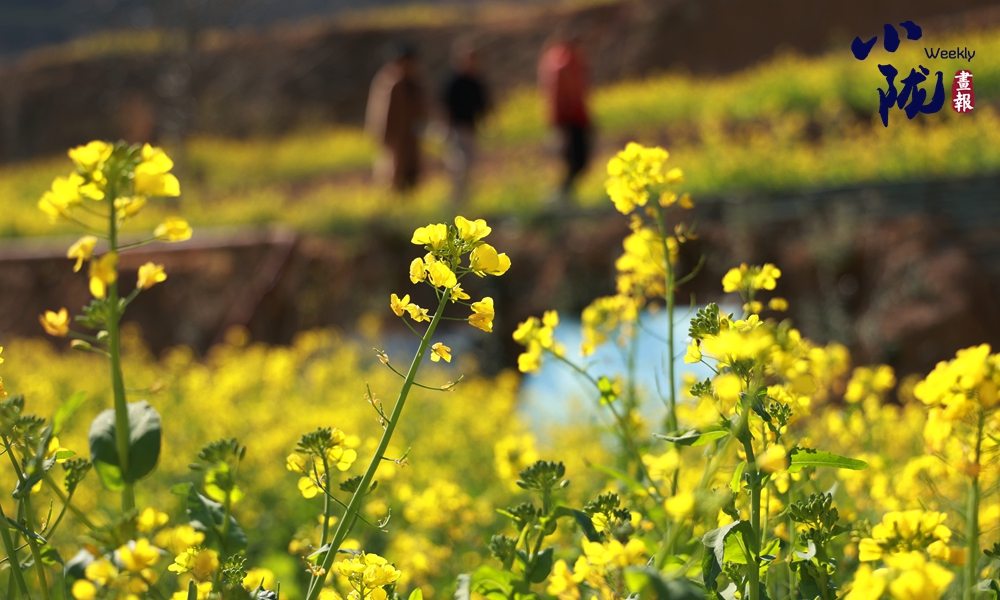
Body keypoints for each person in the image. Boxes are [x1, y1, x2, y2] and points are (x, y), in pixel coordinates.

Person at [538, 28, 592, 203]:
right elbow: (566, 93)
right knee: (573, 160)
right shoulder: (562, 61)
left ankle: (563, 196)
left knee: (575, 160)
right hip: (569, 119)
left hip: (573, 118)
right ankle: (559, 196)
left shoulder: (567, 59)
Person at [366, 44, 428, 192]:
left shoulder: (415, 82)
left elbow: (423, 107)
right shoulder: (389, 83)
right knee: (392, 172)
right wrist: (383, 136)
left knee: (412, 173)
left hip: (411, 136)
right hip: (394, 137)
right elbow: (381, 114)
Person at [441, 40, 490, 205]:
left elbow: (483, 106)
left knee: (469, 166)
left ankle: (466, 201)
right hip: (456, 129)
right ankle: (454, 200)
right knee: (458, 165)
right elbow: (446, 107)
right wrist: (446, 129)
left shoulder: (476, 82)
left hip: (471, 129)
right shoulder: (454, 82)